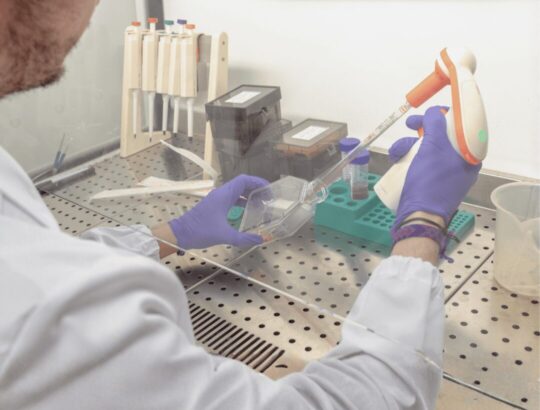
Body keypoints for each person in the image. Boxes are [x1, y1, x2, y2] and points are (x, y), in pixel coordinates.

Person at [0, 1, 481, 409]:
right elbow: (372, 394)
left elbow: (45, 258)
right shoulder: (41, 327)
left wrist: (172, 233)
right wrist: (423, 224)